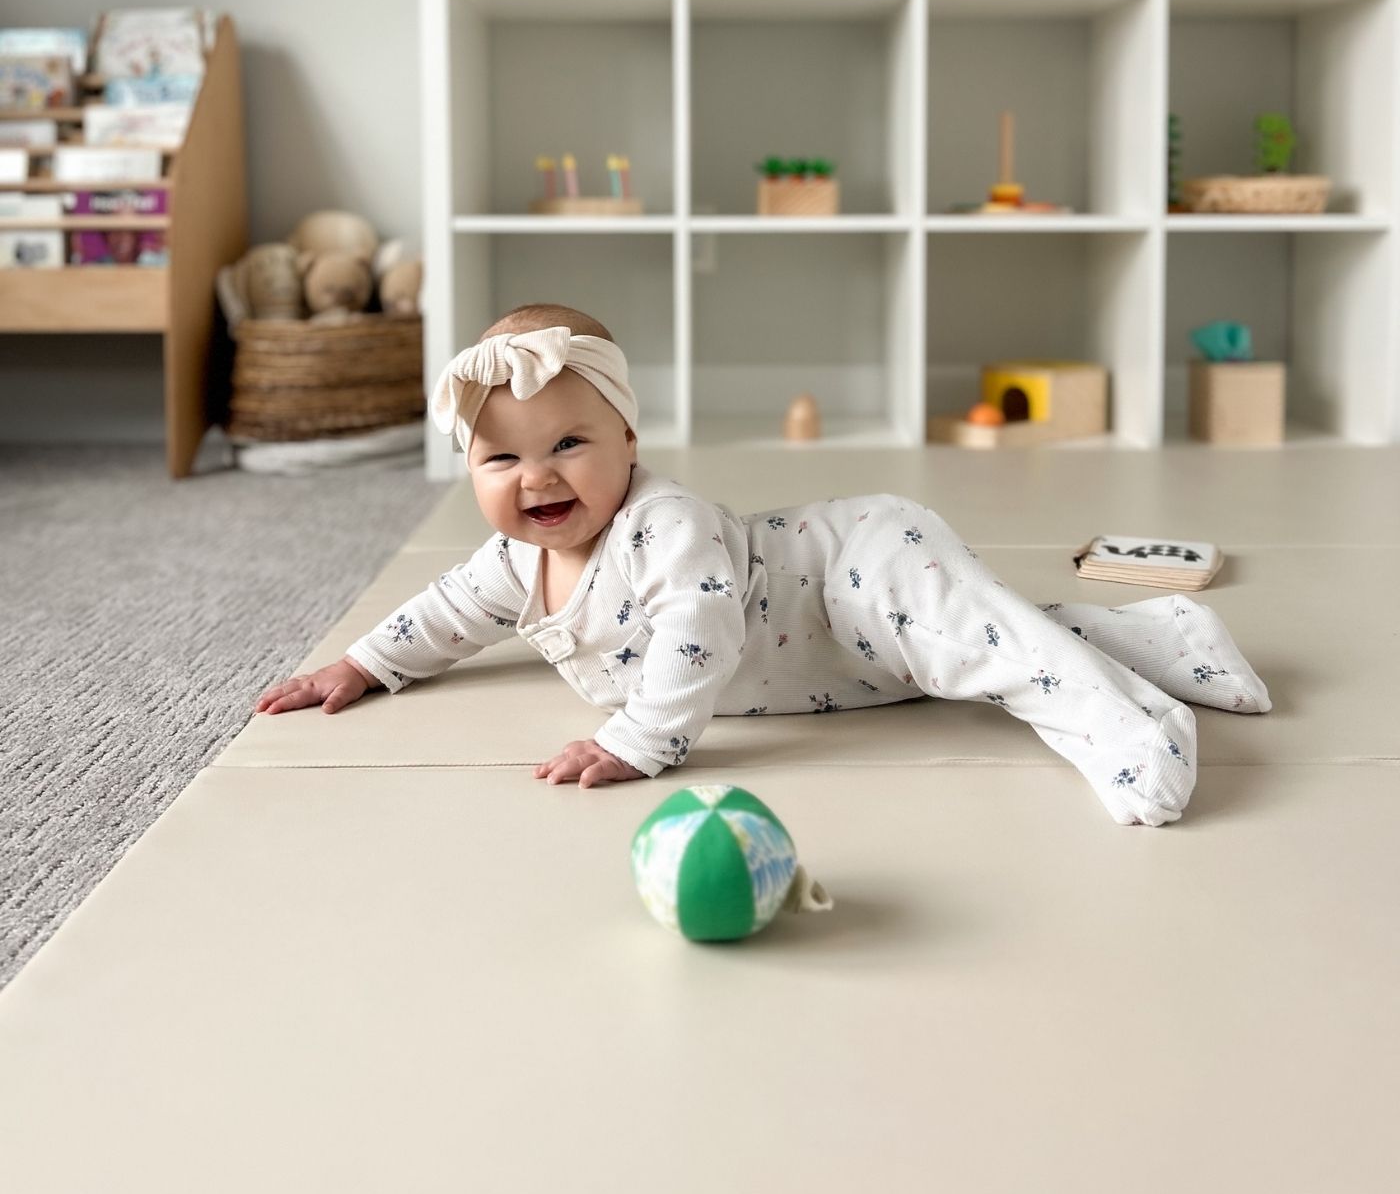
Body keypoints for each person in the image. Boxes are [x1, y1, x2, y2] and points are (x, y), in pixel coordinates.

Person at [254, 304, 1271, 827]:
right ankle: (1161, 638)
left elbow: (700, 631)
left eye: (569, 444)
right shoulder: (515, 557)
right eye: (501, 457)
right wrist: (363, 664)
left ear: (625, 437)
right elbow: (444, 610)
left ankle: (1131, 731)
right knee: (973, 644)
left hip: (848, 570)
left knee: (986, 652)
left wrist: (640, 739)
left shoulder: (667, 525)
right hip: (844, 667)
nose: (536, 478)